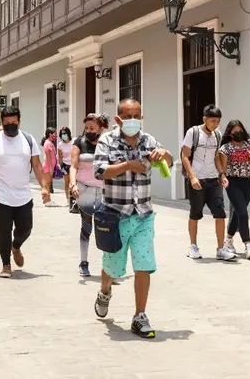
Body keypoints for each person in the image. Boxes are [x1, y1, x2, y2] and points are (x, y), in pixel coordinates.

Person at [93, 99, 173, 339]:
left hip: (143, 214)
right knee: (114, 266)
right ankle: (105, 290)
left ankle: (140, 315)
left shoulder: (149, 140)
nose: (133, 120)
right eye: (128, 116)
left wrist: (165, 154)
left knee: (143, 265)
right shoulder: (107, 140)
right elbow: (100, 171)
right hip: (116, 215)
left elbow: (169, 162)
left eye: (137, 115)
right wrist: (129, 165)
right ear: (118, 120)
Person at [0, 106, 51, 278]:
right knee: (4, 228)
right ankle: (6, 265)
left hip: (23, 193)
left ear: (19, 122)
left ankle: (15, 247)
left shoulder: (28, 140)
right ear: (2, 122)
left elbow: (37, 166)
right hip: (0, 193)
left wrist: (45, 187)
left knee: (26, 228)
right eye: (6, 123)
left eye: (13, 123)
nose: (10, 126)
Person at [181, 104, 236, 261]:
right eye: (212, 121)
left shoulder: (217, 135)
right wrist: (192, 177)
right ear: (204, 119)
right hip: (197, 180)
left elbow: (216, 157)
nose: (215, 124)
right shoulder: (193, 132)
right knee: (195, 214)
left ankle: (220, 249)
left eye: (218, 121)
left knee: (220, 214)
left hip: (213, 181)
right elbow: (185, 156)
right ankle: (193, 246)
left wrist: (222, 175)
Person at [69, 114, 109, 277]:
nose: (89, 131)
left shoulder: (107, 144)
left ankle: (108, 265)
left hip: (104, 192)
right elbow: (73, 165)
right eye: (87, 128)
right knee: (86, 227)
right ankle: (84, 262)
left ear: (101, 128)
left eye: (92, 128)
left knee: (106, 228)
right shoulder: (79, 142)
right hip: (84, 190)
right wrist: (72, 183)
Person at [217, 120, 250, 260]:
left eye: (240, 130)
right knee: (243, 212)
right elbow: (223, 167)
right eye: (235, 131)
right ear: (230, 133)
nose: (238, 133)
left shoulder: (249, 145)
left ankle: (228, 240)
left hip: (247, 181)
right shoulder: (225, 148)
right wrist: (223, 177)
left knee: (237, 212)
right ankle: (248, 245)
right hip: (233, 182)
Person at [57, 126, 74, 209]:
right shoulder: (60, 145)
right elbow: (60, 157)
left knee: (73, 182)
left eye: (65, 133)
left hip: (73, 165)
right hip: (65, 165)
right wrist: (60, 166)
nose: (64, 135)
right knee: (67, 182)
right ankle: (68, 199)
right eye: (62, 134)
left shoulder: (73, 141)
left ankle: (74, 198)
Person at [41, 127, 58, 196]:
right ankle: (47, 199)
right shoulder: (47, 143)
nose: (55, 135)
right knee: (47, 184)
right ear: (50, 134)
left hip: (51, 166)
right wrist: (51, 167)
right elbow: (48, 157)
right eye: (54, 134)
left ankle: (48, 199)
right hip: (48, 167)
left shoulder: (50, 143)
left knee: (49, 183)